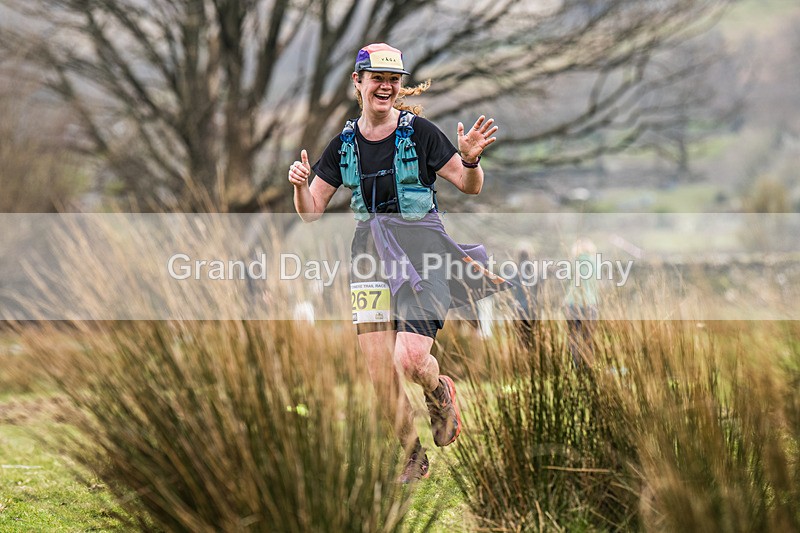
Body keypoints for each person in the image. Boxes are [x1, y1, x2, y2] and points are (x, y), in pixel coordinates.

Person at [288, 43, 501, 482]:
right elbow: (311, 211)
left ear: (399, 85)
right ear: (358, 83)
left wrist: (472, 158)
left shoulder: (420, 133)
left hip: (423, 252)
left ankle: (439, 390)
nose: (385, 86)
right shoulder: (343, 146)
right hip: (369, 255)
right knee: (378, 370)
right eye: (377, 78)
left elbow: (468, 184)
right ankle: (411, 456)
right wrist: (300, 185)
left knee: (408, 359)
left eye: (393, 79)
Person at [564, 238, 599, 369]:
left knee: (573, 337)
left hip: (573, 304)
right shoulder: (596, 263)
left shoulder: (573, 263)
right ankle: (588, 365)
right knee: (588, 337)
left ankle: (575, 365)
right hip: (590, 305)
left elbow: (567, 281)